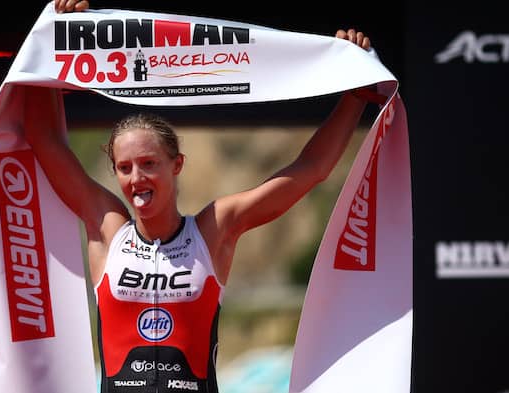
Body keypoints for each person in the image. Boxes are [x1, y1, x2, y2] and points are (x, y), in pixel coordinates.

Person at [29, 1, 376, 391]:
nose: (136, 177)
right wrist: (54, 40)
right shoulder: (108, 229)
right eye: (125, 167)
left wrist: (354, 97)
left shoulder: (213, 230)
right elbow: (45, 141)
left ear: (176, 165)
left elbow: (308, 171)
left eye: (148, 163)